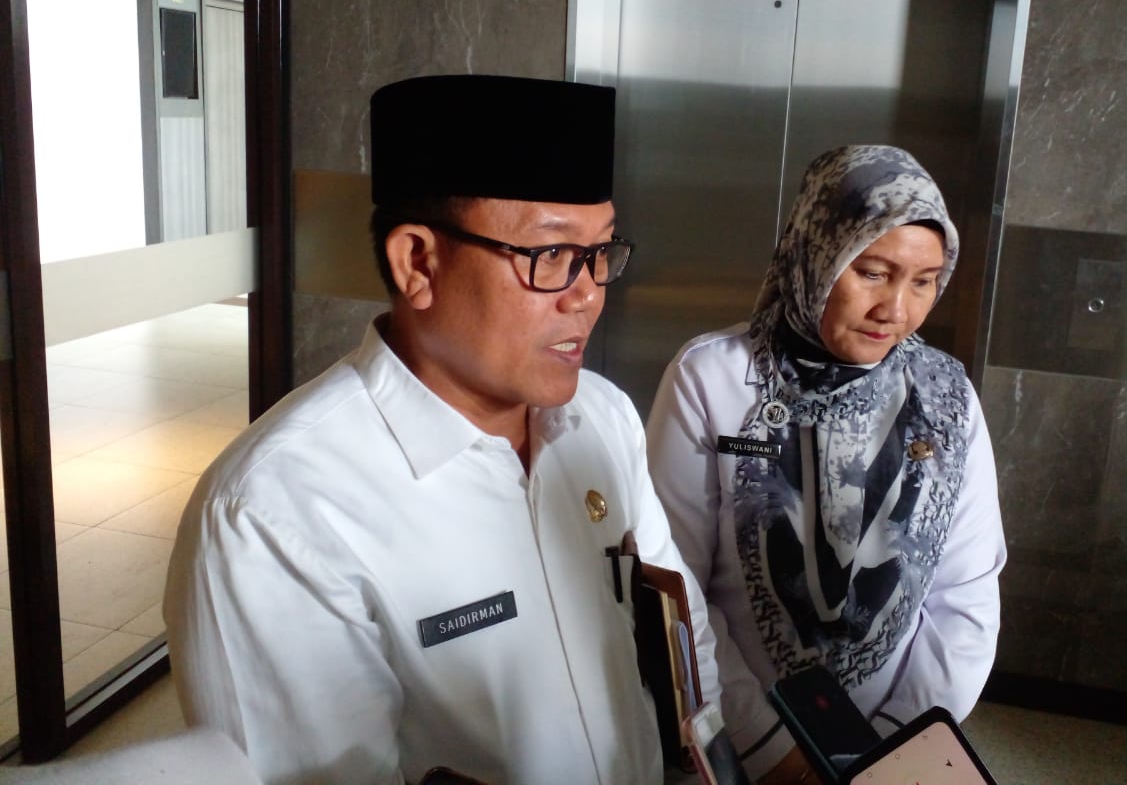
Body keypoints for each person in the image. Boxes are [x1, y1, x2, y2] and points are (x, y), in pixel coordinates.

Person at [164, 75, 719, 785]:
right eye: (551, 255)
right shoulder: (277, 514)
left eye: (602, 252)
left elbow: (682, 641)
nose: (587, 294)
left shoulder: (602, 418)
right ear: (418, 263)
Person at [645, 144, 1005, 781]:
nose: (896, 310)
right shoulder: (711, 378)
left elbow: (967, 593)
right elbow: (676, 590)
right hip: (735, 739)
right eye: (873, 272)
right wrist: (770, 751)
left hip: (894, 749)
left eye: (924, 281)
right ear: (818, 254)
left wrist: (893, 751)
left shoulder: (946, 395)